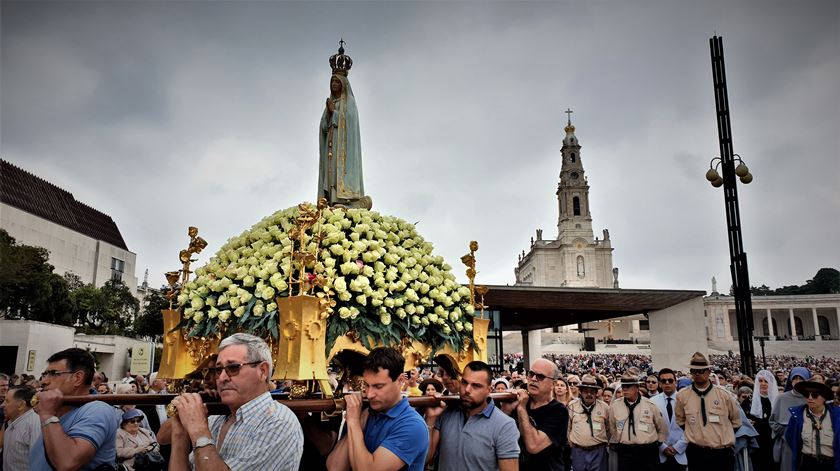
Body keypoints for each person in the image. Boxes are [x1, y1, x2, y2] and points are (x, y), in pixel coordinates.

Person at [168, 333, 303, 470]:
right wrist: (179, 435)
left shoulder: (278, 422)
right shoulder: (217, 419)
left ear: (262, 371)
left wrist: (198, 431)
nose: (222, 377)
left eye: (233, 368)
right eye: (218, 369)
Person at [326, 347, 429, 471]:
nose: (369, 394)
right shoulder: (364, 414)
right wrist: (358, 422)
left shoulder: (413, 425)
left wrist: (353, 422)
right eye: (367, 385)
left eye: (378, 386)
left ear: (400, 380)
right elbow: (335, 467)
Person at [29, 348, 120, 471]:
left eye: (53, 373)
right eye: (45, 374)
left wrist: (47, 415)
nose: (44, 381)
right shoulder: (59, 410)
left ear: (77, 378)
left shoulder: (98, 409)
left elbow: (67, 463)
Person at [425, 361, 520, 471]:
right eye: (464, 383)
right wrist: (431, 418)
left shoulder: (505, 425)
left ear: (488, 390)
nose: (467, 390)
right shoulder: (446, 413)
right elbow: (427, 458)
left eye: (476, 386)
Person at [674, 352, 742, 470]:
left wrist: (719, 435)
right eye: (694, 371)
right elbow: (681, 421)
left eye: (701, 371)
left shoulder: (724, 395)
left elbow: (736, 422)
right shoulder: (682, 396)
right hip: (697, 452)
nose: (697, 374)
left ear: (709, 371)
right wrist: (697, 433)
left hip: (721, 453)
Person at [318, 55, 366, 207]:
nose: (333, 84)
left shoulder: (349, 103)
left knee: (339, 170)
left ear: (343, 84)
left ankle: (345, 200)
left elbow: (350, 123)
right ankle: (330, 200)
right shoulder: (331, 102)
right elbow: (323, 128)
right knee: (330, 172)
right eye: (332, 81)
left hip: (343, 147)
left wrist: (335, 113)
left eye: (337, 81)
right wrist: (329, 114)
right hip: (331, 144)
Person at [504, 358, 568, 471]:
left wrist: (521, 408)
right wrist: (506, 411)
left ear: (553, 384)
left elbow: (533, 445)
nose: (533, 379)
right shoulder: (519, 402)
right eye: (531, 374)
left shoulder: (559, 411)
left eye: (540, 376)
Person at [608, 372, 667, 471]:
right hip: (625, 451)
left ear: (636, 387)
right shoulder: (615, 406)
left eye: (628, 386)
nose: (625, 389)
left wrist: (657, 443)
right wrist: (620, 440)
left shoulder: (650, 404)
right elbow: (612, 427)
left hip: (647, 451)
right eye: (623, 386)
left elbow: (661, 427)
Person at [784, 379, 838, 471]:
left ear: (824, 398)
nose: (809, 398)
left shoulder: (837, 416)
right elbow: (790, 437)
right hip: (807, 463)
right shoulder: (797, 416)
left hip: (831, 464)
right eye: (806, 394)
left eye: (814, 395)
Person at [771, 367, 811, 471]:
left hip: (809, 443)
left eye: (801, 378)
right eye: (795, 378)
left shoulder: (812, 398)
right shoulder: (782, 398)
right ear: (790, 380)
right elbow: (772, 421)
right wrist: (785, 431)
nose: (798, 381)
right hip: (788, 442)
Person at [567, 374, 610, 471]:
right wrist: (572, 445)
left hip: (598, 451)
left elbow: (609, 429)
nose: (589, 394)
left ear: (596, 393)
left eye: (592, 392)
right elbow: (568, 428)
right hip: (578, 451)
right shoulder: (572, 406)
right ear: (580, 392)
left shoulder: (604, 407)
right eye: (586, 391)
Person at [650, 368, 688, 471]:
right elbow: (651, 428)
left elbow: (691, 427)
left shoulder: (686, 400)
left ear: (675, 382)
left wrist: (678, 447)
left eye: (670, 380)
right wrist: (662, 447)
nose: (667, 383)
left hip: (682, 453)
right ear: (659, 383)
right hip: (660, 453)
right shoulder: (652, 402)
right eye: (663, 381)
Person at [2, 385, 41, 471]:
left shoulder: (34, 425)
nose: (2, 405)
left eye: (7, 401)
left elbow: (38, 463)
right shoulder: (11, 422)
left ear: (21, 405)